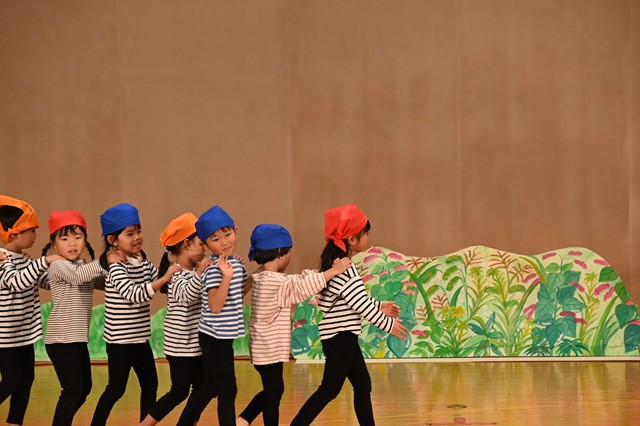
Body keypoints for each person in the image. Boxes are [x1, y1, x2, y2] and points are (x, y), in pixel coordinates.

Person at [290, 204, 409, 426]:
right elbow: (360, 304)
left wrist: (379, 305)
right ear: (352, 239)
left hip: (345, 336)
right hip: (340, 337)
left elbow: (353, 300)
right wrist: (389, 325)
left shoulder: (339, 264)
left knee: (363, 385)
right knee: (329, 389)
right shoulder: (345, 269)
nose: (368, 237)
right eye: (366, 233)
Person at [236, 224, 352, 426]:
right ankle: (246, 420)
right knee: (273, 394)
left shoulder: (261, 276)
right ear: (280, 252)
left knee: (273, 390)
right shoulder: (277, 284)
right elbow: (301, 288)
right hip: (269, 349)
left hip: (262, 347)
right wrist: (333, 271)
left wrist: (319, 272)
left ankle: (243, 420)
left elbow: (295, 280)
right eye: (289, 252)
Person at [91, 203, 180, 426]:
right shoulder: (116, 267)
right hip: (120, 342)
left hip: (140, 340)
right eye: (129, 233)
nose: (137, 237)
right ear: (113, 240)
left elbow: (157, 280)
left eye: (139, 231)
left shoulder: (141, 259)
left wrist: (175, 264)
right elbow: (135, 294)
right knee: (116, 389)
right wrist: (165, 277)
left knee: (150, 385)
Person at [42, 210, 123, 426]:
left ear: (85, 240)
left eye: (78, 237)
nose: (72, 243)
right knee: (72, 389)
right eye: (64, 239)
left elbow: (104, 283)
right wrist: (105, 260)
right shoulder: (59, 266)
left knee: (84, 388)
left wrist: (118, 269)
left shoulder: (84, 267)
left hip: (77, 339)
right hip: (60, 339)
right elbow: (79, 276)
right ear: (54, 244)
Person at [140, 212, 212, 426]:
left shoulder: (196, 270)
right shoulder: (176, 273)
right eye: (202, 242)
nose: (206, 247)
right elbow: (187, 295)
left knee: (203, 388)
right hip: (181, 346)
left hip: (196, 345)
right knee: (179, 391)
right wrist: (200, 274)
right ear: (187, 245)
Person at [177, 205, 247, 426]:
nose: (224, 242)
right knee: (228, 388)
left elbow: (238, 293)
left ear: (236, 231)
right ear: (206, 245)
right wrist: (226, 277)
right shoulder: (215, 269)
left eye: (227, 234)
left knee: (210, 386)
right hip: (214, 336)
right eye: (216, 239)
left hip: (223, 335)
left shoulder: (234, 264)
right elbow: (215, 306)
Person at [0, 195, 64, 426]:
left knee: (26, 381)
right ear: (15, 233)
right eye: (32, 230)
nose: (36, 235)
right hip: (4, 337)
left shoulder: (26, 261)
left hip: (24, 334)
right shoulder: (2, 259)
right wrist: (44, 262)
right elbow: (16, 281)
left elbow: (43, 281)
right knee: (11, 381)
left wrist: (68, 269)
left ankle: (14, 422)